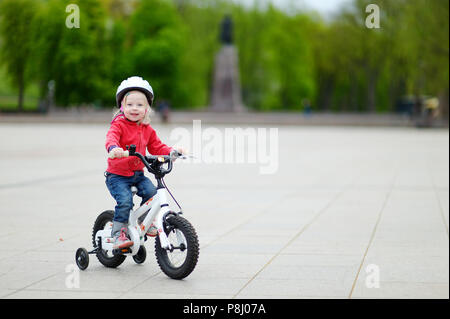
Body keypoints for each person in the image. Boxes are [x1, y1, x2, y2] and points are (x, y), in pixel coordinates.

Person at [105, 76, 184, 250]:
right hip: (117, 176)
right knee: (125, 201)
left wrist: (172, 152)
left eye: (140, 105)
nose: (135, 108)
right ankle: (118, 234)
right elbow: (111, 138)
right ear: (122, 106)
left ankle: (143, 221)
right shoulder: (118, 125)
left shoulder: (147, 129)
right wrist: (113, 148)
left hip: (137, 175)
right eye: (130, 104)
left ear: (147, 108)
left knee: (152, 193)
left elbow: (157, 147)